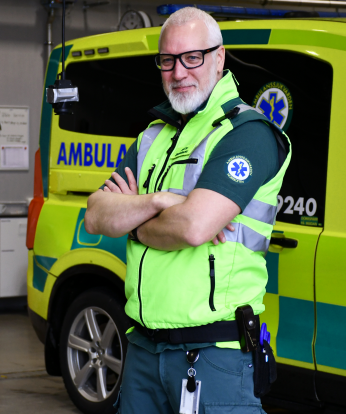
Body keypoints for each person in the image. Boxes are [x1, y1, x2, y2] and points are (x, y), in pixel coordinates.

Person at [84, 7, 291, 414]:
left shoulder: (247, 134)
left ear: (219, 58)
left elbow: (195, 226)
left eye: (192, 57)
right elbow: (95, 214)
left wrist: (134, 222)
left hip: (214, 355)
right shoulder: (153, 136)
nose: (178, 72)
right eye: (168, 60)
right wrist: (160, 201)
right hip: (144, 348)